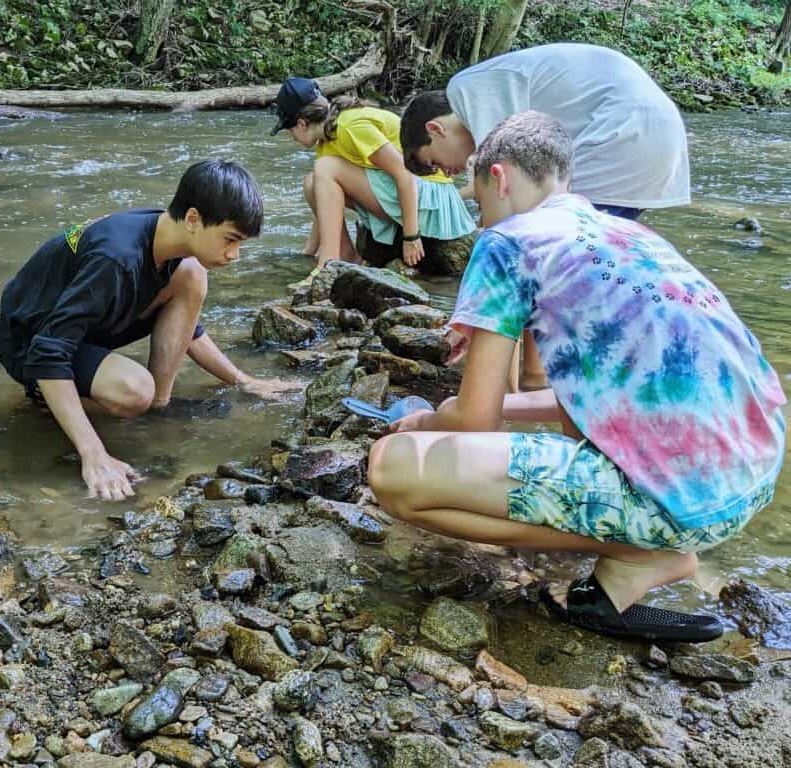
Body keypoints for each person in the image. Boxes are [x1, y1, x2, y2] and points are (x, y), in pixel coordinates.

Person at [368, 111, 786, 642]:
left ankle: (640, 553)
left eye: (479, 204)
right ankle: (631, 559)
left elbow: (475, 418)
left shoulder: (509, 242)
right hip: (749, 479)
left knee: (392, 470)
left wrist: (429, 421)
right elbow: (603, 396)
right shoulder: (631, 234)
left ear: (498, 177)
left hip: (682, 505)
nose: (481, 221)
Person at [0, 160, 296, 501]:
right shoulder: (117, 258)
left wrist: (243, 381)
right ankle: (45, 400)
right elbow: (49, 349)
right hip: (30, 342)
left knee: (193, 274)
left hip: (80, 328)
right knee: (134, 391)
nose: (235, 254)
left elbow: (187, 329)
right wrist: (93, 454)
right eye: (231, 239)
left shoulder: (168, 238)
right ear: (194, 219)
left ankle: (158, 405)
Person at [399, 43, 693, 389]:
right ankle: (539, 378)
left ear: (436, 129)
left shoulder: (467, 89)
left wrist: (471, 315)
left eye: (434, 162)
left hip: (620, 133)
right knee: (564, 264)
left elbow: (509, 232)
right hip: (652, 135)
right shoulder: (489, 104)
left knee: (524, 251)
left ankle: (510, 388)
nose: (447, 172)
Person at [271, 77, 475, 282]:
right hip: (407, 197)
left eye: (289, 131)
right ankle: (346, 256)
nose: (293, 138)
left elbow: (404, 173)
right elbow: (325, 203)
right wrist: (307, 252)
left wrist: (411, 237)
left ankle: (328, 266)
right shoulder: (327, 139)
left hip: (431, 198)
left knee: (324, 168)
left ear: (301, 124)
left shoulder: (350, 126)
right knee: (311, 182)